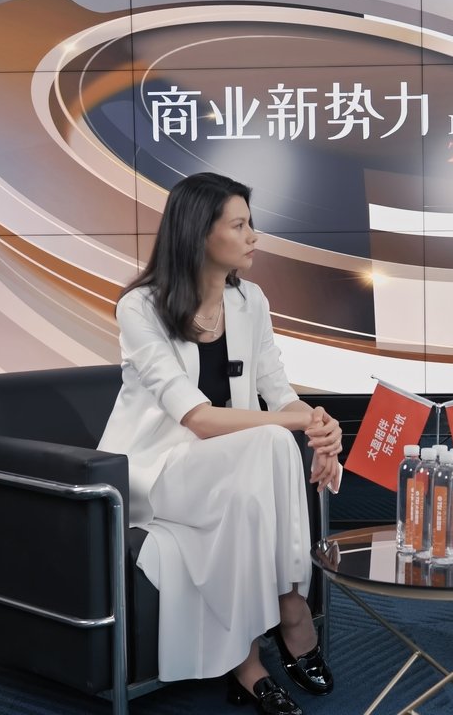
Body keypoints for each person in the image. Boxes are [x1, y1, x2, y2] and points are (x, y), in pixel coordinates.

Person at [98, 172, 344, 715]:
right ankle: (283, 619)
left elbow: (279, 392)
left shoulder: (250, 300)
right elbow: (198, 418)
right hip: (158, 469)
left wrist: (322, 426)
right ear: (199, 232)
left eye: (251, 224)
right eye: (239, 225)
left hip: (231, 470)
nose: (253, 236)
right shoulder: (140, 307)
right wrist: (294, 425)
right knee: (272, 442)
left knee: (269, 449)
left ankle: (260, 641)